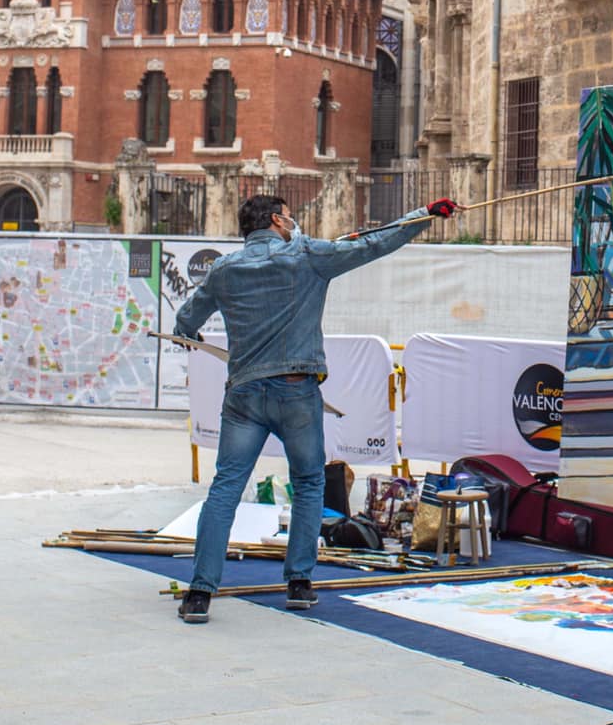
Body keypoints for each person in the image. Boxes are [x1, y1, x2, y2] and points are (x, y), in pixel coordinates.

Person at [172, 193, 454, 624]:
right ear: (276, 220)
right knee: (307, 484)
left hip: (245, 393)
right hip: (296, 390)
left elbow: (187, 320)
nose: (293, 221)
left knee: (225, 488)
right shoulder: (305, 255)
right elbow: (374, 244)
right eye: (289, 215)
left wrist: (184, 332)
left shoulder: (224, 270)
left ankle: (199, 592)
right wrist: (424, 215)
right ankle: (300, 583)